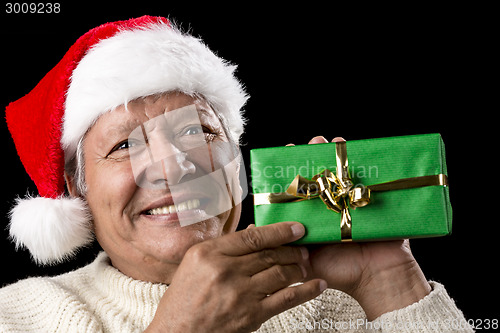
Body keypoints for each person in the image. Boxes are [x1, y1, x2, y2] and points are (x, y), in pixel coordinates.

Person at [1, 16, 473, 332]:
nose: (171, 166)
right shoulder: (18, 317)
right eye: (125, 145)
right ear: (76, 189)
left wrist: (387, 283)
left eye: (197, 132)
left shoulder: (349, 304)